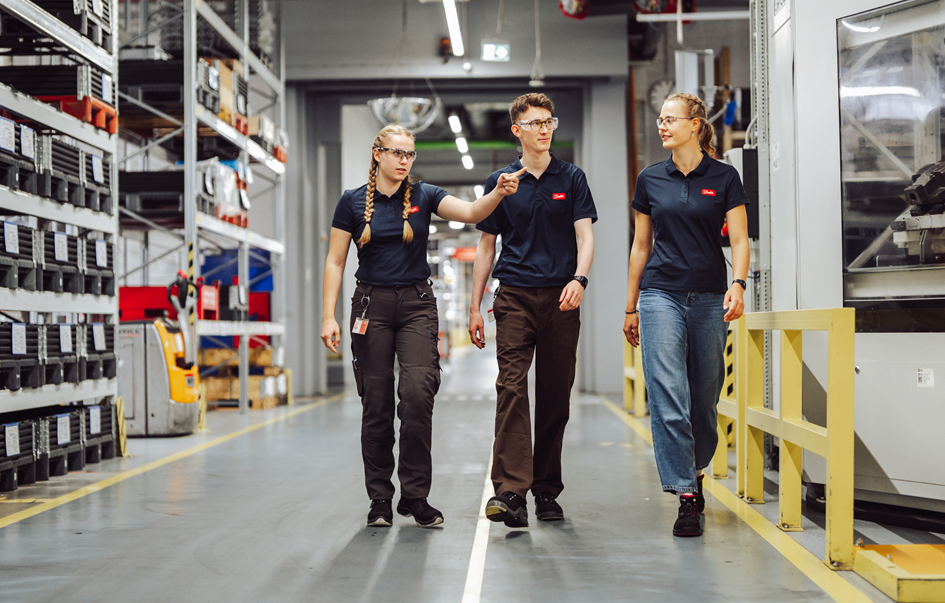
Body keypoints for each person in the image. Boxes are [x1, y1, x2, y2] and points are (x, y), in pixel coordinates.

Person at [321, 124, 525, 528]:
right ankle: (380, 497)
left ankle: (415, 496)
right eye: (397, 153)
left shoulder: (426, 195)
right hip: (370, 306)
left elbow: (469, 212)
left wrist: (498, 193)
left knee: (417, 396)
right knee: (375, 404)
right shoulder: (351, 202)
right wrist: (328, 315)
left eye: (409, 154)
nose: (404, 161)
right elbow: (335, 261)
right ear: (377, 153)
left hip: (416, 305)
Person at [623, 92, 750, 537]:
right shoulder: (650, 179)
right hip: (661, 293)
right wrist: (630, 304)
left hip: (711, 295)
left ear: (695, 125)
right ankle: (686, 493)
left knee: (703, 397)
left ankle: (696, 469)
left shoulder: (725, 177)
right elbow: (641, 245)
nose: (661, 126)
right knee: (667, 391)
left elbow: (738, 241)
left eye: (670, 119)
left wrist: (738, 283)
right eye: (659, 119)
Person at [468, 93, 597, 528]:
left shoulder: (572, 177)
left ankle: (546, 489)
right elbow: (486, 248)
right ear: (517, 131)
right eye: (535, 122)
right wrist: (475, 306)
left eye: (550, 121)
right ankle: (510, 491)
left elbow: (585, 237)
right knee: (511, 387)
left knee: (556, 395)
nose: (545, 129)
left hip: (561, 297)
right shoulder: (501, 181)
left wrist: (579, 278)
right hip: (515, 297)